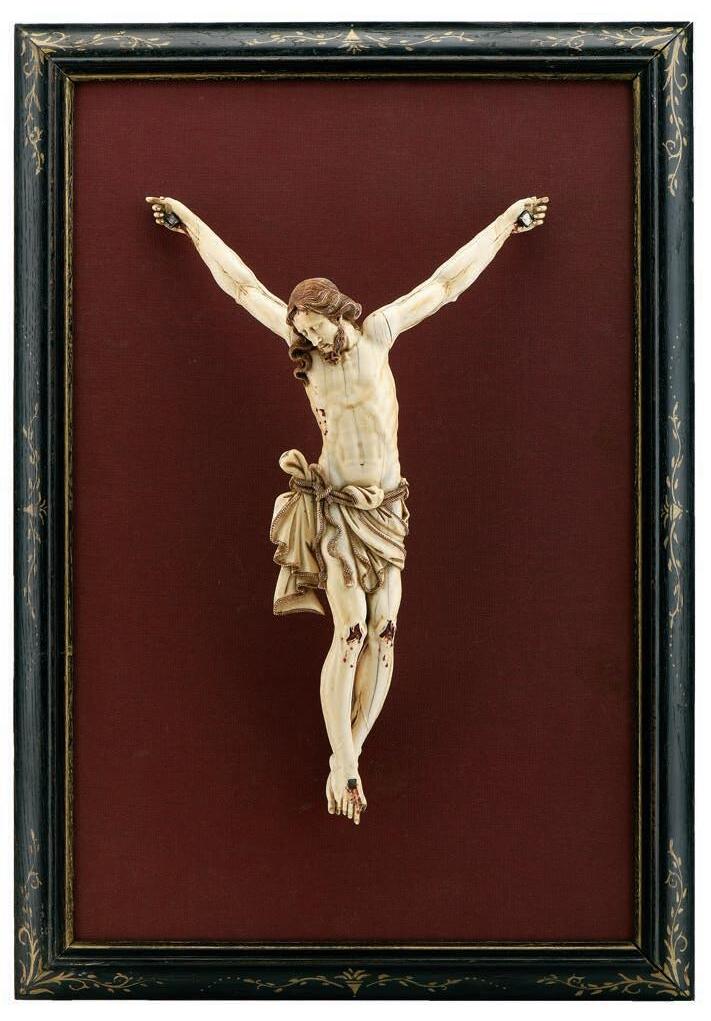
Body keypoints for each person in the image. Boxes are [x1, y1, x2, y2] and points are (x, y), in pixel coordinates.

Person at [146, 191, 549, 825]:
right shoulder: (305, 355)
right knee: (351, 630)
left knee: (385, 631)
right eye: (302, 332)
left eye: (316, 327)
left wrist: (506, 223)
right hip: (336, 509)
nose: (309, 339)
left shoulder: (379, 333)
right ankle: (346, 760)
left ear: (339, 313)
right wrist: (192, 225)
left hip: (385, 508)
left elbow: (447, 283)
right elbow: (242, 287)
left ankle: (348, 758)